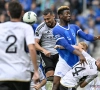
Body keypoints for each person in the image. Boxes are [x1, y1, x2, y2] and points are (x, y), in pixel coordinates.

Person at [52, 6, 100, 90]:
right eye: (66, 14)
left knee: (71, 84)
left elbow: (86, 36)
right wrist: (80, 54)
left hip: (75, 60)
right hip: (64, 60)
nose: (69, 15)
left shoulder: (74, 27)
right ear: (60, 16)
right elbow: (66, 45)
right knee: (56, 83)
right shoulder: (56, 30)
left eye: (69, 13)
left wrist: (97, 37)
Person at [0, 1, 39, 90]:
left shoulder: (1, 27)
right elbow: (32, 49)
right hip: (22, 74)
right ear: (22, 13)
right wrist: (36, 71)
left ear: (8, 12)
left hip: (3, 74)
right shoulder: (27, 28)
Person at [35, 9, 59, 89]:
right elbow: (35, 43)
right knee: (50, 75)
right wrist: (43, 50)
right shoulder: (40, 28)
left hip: (59, 53)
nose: (46, 21)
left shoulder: (61, 25)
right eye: (45, 19)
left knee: (60, 76)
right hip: (46, 54)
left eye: (48, 19)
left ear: (53, 16)